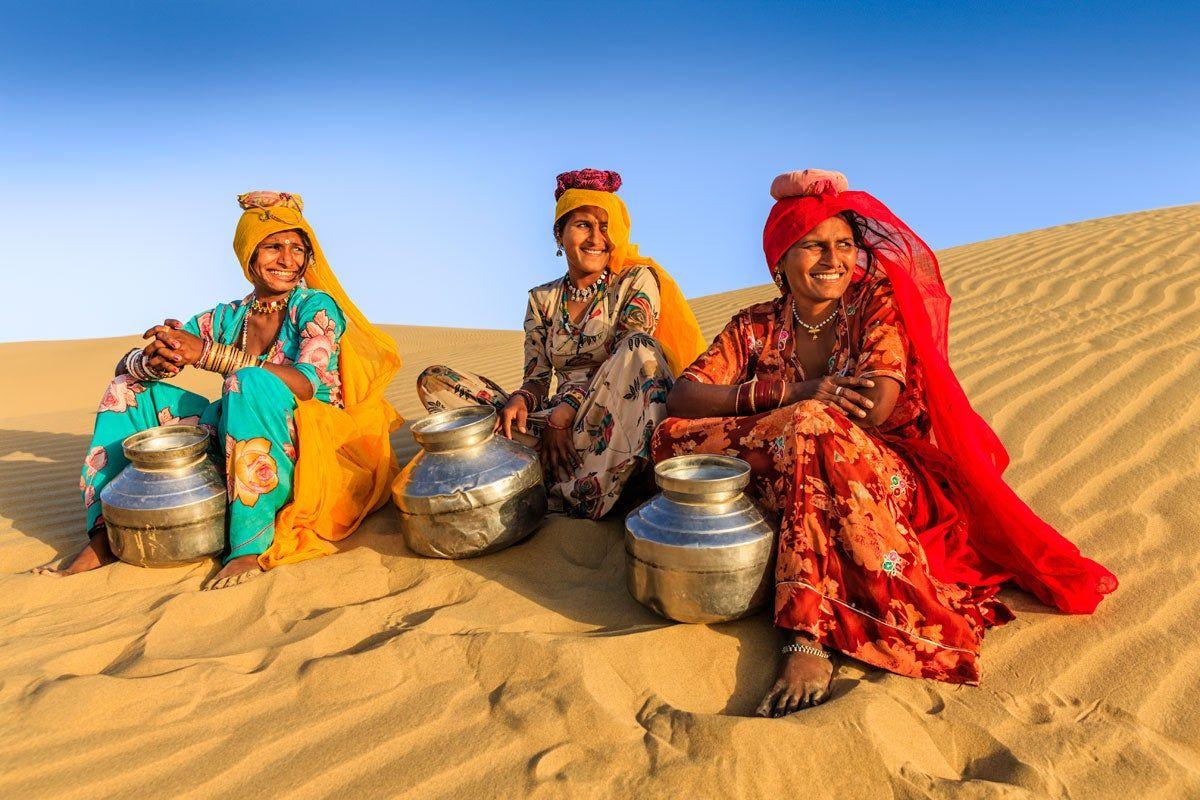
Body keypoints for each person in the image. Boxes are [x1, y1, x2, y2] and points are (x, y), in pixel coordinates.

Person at [653, 169, 1117, 716]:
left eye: (844, 245)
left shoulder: (876, 304)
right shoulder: (755, 324)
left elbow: (874, 408)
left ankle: (810, 635)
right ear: (781, 258)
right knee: (674, 437)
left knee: (811, 428)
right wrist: (796, 392)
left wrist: (793, 413)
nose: (833, 260)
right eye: (814, 246)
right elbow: (685, 396)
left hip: (888, 474)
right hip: (795, 457)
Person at [34, 191, 402, 589]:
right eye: (273, 247)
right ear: (248, 255)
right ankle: (107, 534)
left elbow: (305, 383)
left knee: (246, 382)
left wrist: (208, 354)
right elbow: (155, 355)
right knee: (128, 389)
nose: (287, 259)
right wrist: (157, 358)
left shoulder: (315, 306)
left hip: (314, 441)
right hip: (241, 434)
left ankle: (248, 546)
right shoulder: (229, 316)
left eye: (298, 249)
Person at [416, 169, 706, 518]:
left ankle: (569, 479)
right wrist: (524, 401)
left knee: (639, 350)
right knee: (435, 381)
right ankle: (545, 467)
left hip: (613, 419)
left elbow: (630, 350)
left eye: (604, 226)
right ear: (559, 234)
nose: (596, 238)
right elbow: (537, 378)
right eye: (583, 225)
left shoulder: (635, 280)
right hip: (553, 426)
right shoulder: (542, 299)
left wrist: (567, 410)